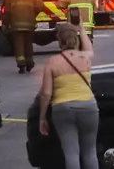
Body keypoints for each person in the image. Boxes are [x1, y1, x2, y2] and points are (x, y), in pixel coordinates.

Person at [38, 20, 98, 169]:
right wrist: (82, 29)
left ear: (59, 40)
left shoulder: (52, 62)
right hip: (88, 106)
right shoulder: (85, 57)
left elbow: (46, 93)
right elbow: (89, 47)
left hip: (62, 108)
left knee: (71, 153)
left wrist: (42, 117)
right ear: (76, 39)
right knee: (90, 151)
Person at [4, 0, 40, 73]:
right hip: (29, 24)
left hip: (16, 25)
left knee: (18, 44)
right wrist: (33, 14)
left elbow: (7, 12)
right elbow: (41, 7)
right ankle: (29, 63)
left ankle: (21, 65)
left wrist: (6, 24)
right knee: (28, 44)